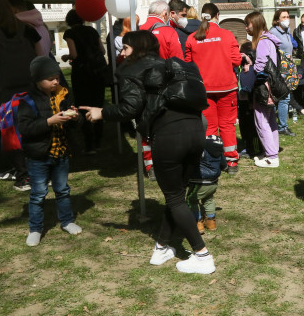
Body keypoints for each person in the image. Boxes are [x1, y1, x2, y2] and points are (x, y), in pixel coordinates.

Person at [81, 30, 215, 274]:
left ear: (138, 48)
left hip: (169, 135)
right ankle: (162, 247)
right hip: (196, 130)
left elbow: (131, 107)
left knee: (175, 198)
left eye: (125, 48)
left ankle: (202, 255)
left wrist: (102, 112)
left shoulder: (132, 70)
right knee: (177, 195)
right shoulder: (167, 66)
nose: (121, 53)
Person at [18, 56, 83, 246]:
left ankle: (67, 221)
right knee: (38, 193)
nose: (56, 81)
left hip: (61, 153)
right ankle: (35, 228)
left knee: (62, 190)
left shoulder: (63, 95)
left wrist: (76, 118)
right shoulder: (27, 100)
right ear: (38, 80)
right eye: (50, 78)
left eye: (57, 77)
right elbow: (25, 128)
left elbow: (75, 126)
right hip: (38, 156)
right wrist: (49, 121)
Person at [0, 0, 44, 190]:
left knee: (12, 132)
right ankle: (41, 171)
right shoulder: (28, 30)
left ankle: (24, 175)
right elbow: (41, 57)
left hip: (6, 91)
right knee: (34, 129)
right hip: (30, 88)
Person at [185, 3, 243, 174]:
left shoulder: (192, 37)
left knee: (209, 127)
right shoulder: (227, 35)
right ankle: (231, 162)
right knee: (227, 125)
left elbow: (188, 64)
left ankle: (211, 161)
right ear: (218, 15)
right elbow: (237, 61)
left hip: (204, 89)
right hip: (227, 87)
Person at [61, 9, 107, 154]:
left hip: (82, 73)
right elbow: (102, 51)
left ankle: (89, 145)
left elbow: (74, 54)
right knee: (98, 105)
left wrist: (65, 57)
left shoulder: (70, 33)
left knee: (83, 106)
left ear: (69, 21)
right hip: (97, 72)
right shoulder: (92, 31)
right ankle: (99, 141)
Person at [245, 11, 282, 168]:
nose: (246, 28)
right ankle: (271, 151)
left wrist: (249, 66)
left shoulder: (262, 41)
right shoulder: (270, 39)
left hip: (264, 85)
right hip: (272, 85)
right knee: (270, 119)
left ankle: (271, 157)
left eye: (248, 24)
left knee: (261, 120)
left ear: (255, 23)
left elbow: (261, 64)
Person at [269, 9, 303, 136]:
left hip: (288, 68)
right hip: (279, 69)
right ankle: (281, 126)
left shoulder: (287, 32)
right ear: (277, 19)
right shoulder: (273, 32)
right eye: (284, 17)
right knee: (283, 97)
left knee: (284, 98)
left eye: (288, 16)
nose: (287, 19)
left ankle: (280, 125)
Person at [187, 135, 225, 234]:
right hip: (213, 183)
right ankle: (211, 222)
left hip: (199, 182)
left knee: (191, 200)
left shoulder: (203, 151)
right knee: (208, 199)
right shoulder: (220, 152)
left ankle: (198, 222)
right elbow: (224, 166)